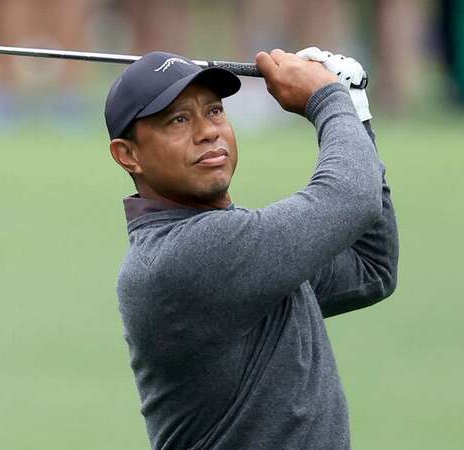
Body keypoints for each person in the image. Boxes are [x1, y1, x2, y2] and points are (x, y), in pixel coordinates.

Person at [105, 48, 398, 449]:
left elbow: (370, 267)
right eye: (178, 119)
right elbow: (350, 197)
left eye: (214, 112)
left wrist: (356, 113)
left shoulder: (238, 248)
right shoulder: (189, 254)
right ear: (128, 155)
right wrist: (330, 99)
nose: (207, 131)